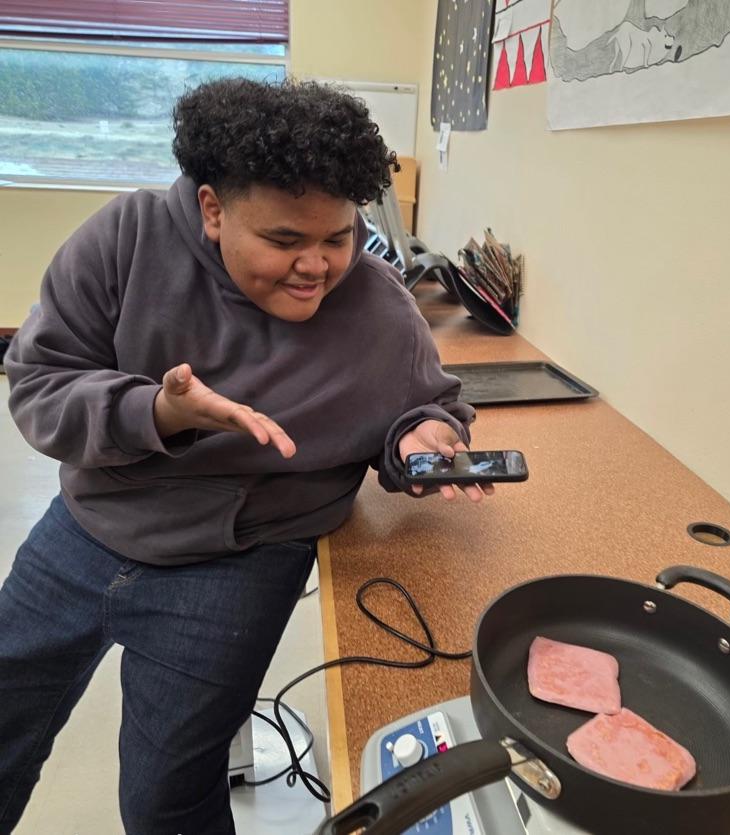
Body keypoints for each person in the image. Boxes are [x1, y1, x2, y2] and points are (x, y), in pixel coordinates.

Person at [0, 77, 493, 834]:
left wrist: (421, 438)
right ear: (212, 209)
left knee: (166, 791)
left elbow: (427, 404)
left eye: (337, 236)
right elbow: (38, 384)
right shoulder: (124, 240)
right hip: (91, 520)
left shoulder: (380, 309)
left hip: (245, 554)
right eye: (284, 241)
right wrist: (157, 412)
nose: (317, 267)